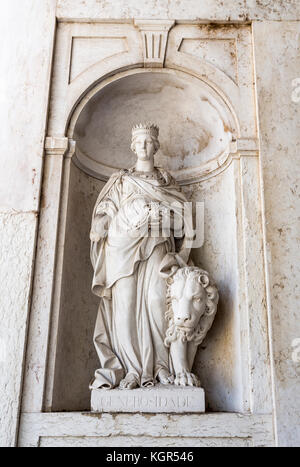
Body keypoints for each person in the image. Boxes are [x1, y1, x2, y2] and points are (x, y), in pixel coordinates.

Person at [89, 123, 193, 390]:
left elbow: (185, 218)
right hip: (122, 248)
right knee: (124, 308)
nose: (144, 146)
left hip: (157, 243)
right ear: (133, 146)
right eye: (139, 142)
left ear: (156, 146)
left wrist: (165, 217)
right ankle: (132, 370)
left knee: (158, 302)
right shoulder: (121, 181)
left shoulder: (166, 182)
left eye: (148, 141)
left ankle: (160, 365)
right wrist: (101, 222)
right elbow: (106, 208)